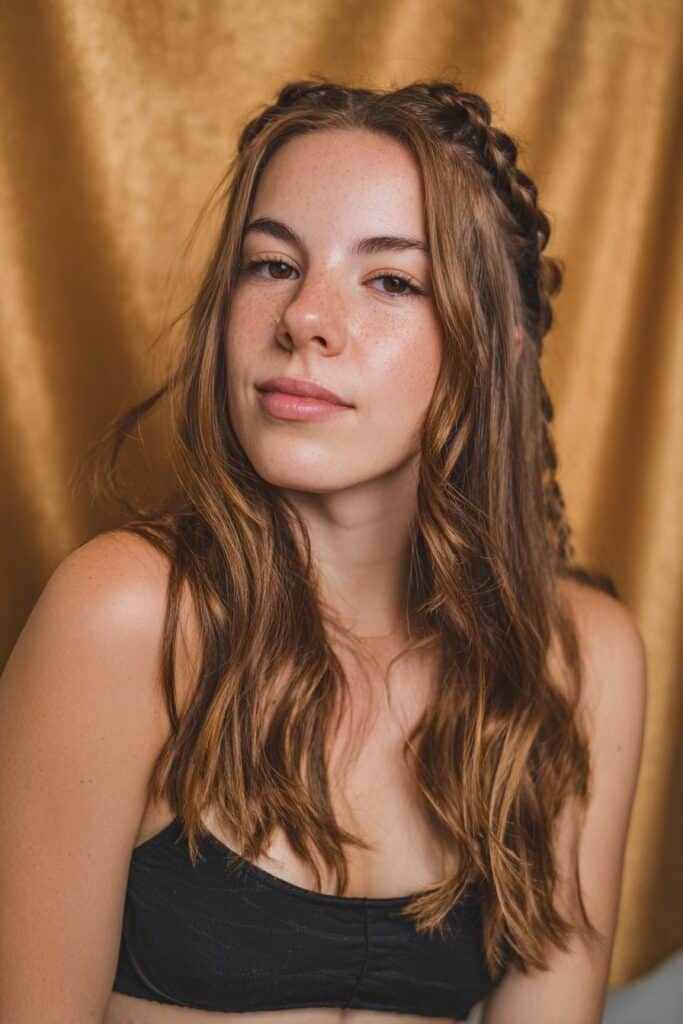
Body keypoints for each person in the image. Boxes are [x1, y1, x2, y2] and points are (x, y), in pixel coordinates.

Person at [0, 76, 647, 1024]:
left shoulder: (579, 659)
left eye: (391, 280)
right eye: (271, 264)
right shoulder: (125, 615)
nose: (303, 316)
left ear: (497, 351)